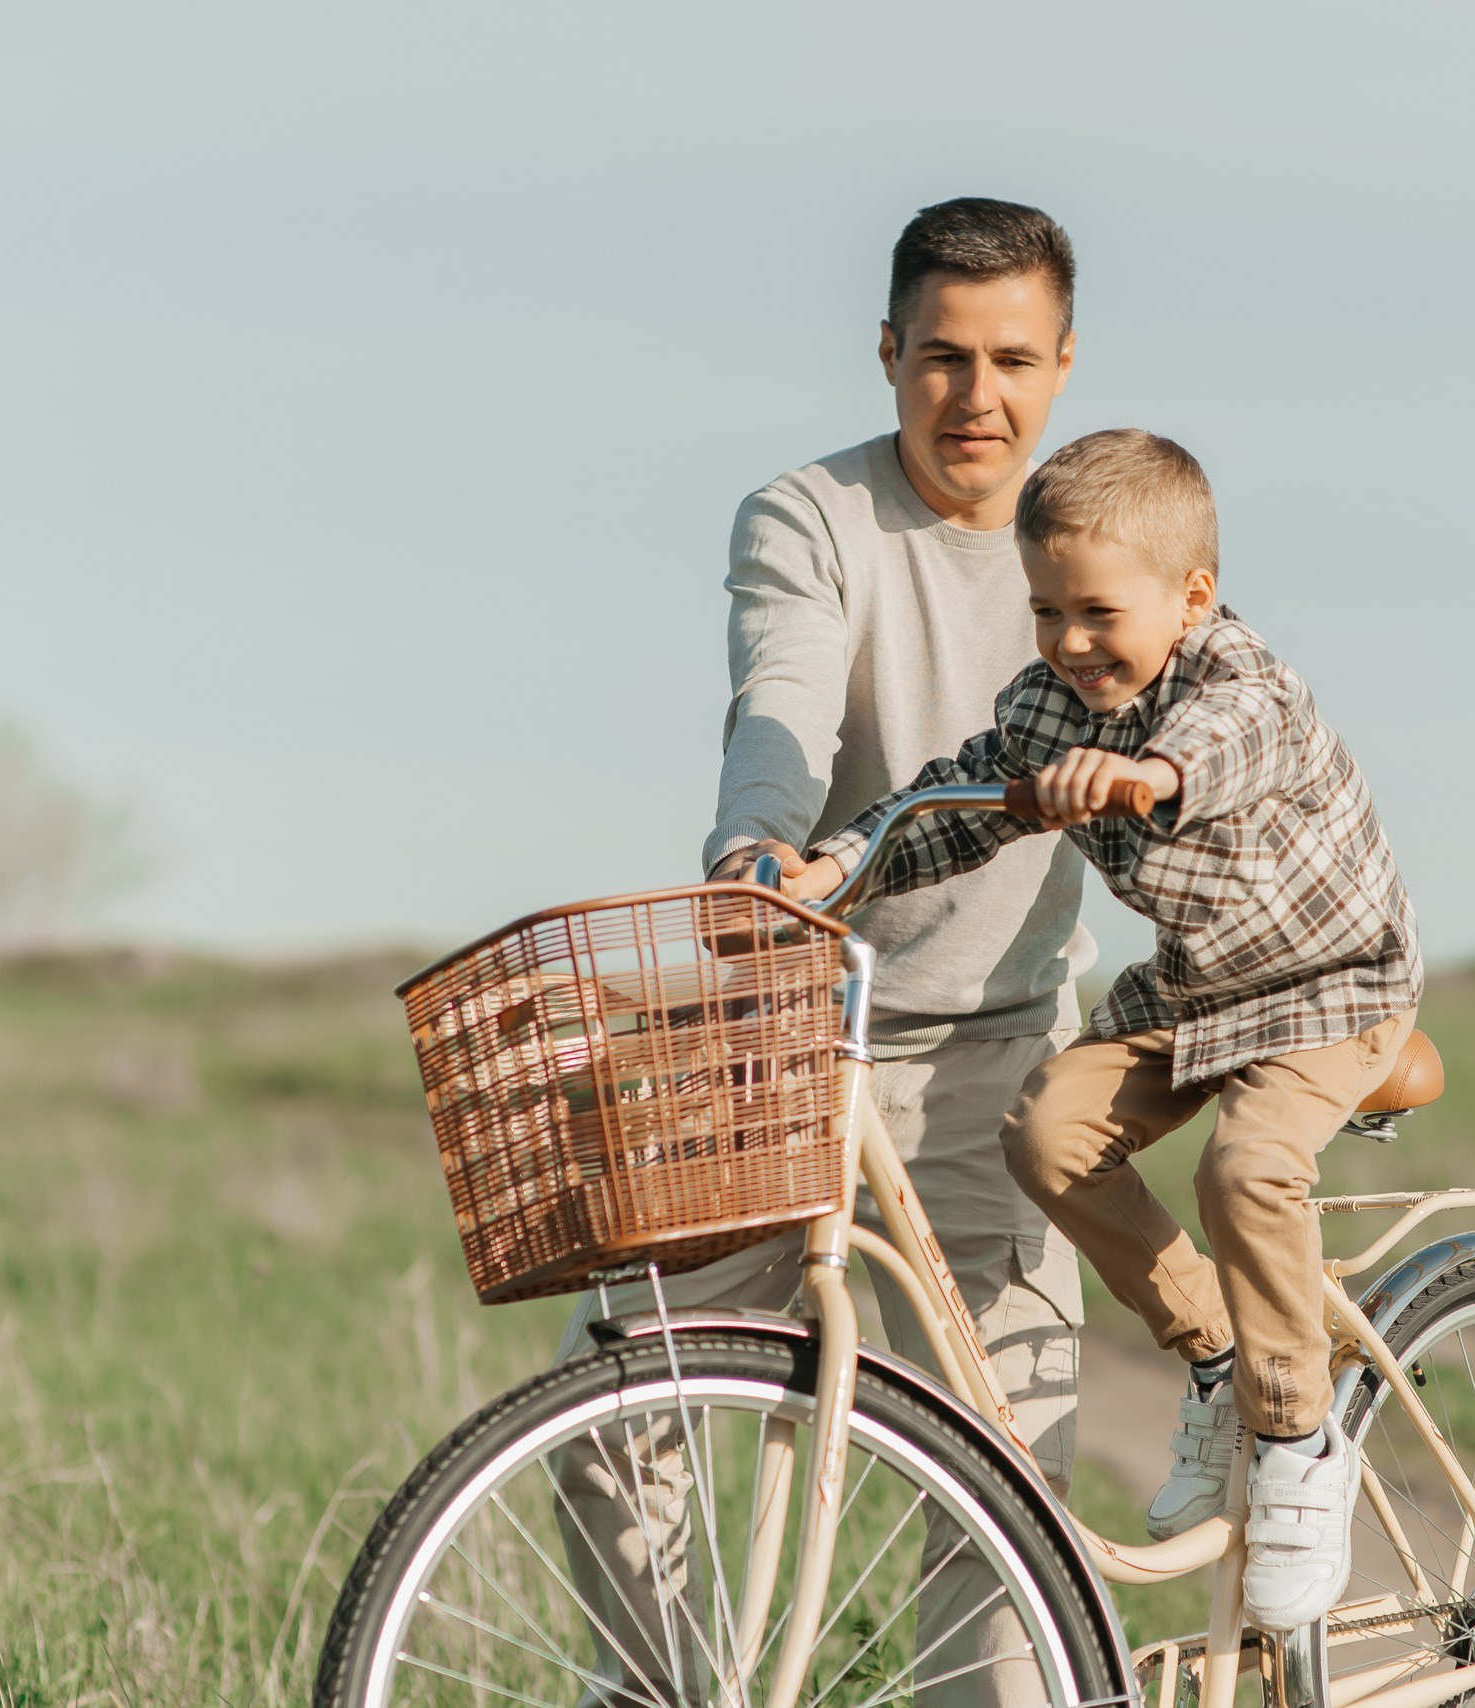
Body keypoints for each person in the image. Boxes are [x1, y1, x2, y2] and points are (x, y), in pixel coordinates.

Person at [550, 197, 1094, 1708]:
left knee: (1002, 1520)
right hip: (795, 1045)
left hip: (998, 1065)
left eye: (1009, 360)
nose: (973, 398)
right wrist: (752, 854)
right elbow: (780, 700)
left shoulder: (1097, 543)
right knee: (614, 1398)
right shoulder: (813, 517)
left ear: (1062, 364)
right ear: (886, 353)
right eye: (938, 357)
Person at [785, 428, 1424, 1632]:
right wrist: (837, 863)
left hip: (1331, 984)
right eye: (1043, 611)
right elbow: (957, 799)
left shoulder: (1241, 684)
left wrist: (1147, 776)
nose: (1070, 643)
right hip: (1199, 985)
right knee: (1047, 1135)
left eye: (1096, 611)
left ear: (1191, 597)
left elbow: (1227, 743)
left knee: (1247, 1172)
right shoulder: (1047, 705)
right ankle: (1223, 1355)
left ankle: (1298, 1438)